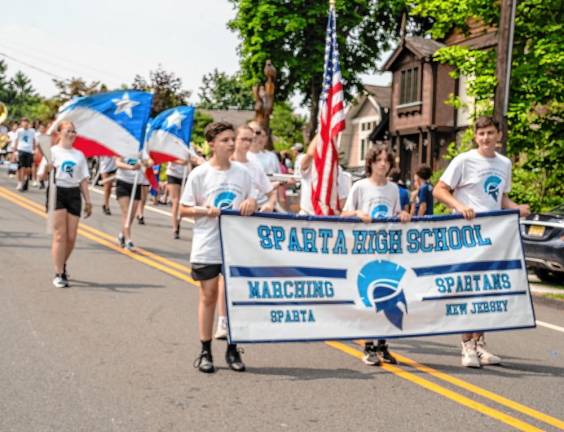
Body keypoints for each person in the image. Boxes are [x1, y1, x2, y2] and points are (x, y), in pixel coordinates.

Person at [433, 115, 530, 368]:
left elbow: (500, 198)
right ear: (475, 137)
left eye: (490, 132)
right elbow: (440, 189)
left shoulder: (504, 163)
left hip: (493, 235)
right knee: (469, 289)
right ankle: (466, 346)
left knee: (487, 290)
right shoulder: (464, 161)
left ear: (498, 135)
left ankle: (480, 345)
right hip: (467, 235)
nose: (486, 138)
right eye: (481, 134)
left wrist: (517, 208)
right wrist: (461, 206)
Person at [179, 121, 257, 374]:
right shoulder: (199, 174)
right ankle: (205, 350)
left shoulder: (243, 173)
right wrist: (205, 211)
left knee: (233, 297)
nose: (232, 143)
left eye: (233, 139)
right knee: (209, 295)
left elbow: (255, 199)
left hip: (235, 244)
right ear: (212, 144)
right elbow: (182, 209)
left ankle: (233, 348)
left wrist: (251, 202)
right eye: (225, 140)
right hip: (207, 243)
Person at [341, 144, 411, 366]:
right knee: (370, 297)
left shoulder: (393, 189)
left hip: (387, 248)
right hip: (365, 248)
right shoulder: (360, 187)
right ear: (370, 162)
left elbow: (396, 211)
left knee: (389, 296)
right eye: (379, 160)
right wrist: (357, 214)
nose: (383, 164)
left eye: (386, 160)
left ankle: (383, 344)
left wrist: (403, 214)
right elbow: (344, 213)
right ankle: (368, 344)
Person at [214, 124, 277, 340]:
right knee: (225, 274)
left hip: (248, 227)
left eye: (250, 140)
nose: (246, 144)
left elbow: (270, 192)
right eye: (243, 139)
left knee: (247, 274)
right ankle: (223, 321)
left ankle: (245, 317)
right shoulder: (224, 164)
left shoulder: (254, 165)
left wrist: (268, 204)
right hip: (225, 226)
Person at [47, 121, 92, 288]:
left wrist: (88, 201)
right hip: (57, 191)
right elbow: (41, 177)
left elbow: (83, 180)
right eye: (68, 131)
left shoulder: (79, 155)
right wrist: (47, 169)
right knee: (60, 235)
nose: (72, 134)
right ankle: (58, 273)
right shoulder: (52, 152)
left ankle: (62, 263)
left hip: (73, 193)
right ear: (59, 133)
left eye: (74, 131)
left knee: (71, 237)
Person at [295, 135, 349, 215]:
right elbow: (309, 155)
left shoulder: (338, 170)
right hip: (306, 218)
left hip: (327, 219)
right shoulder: (310, 164)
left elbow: (342, 201)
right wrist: (323, 131)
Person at [114, 152, 149, 250]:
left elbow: (150, 162)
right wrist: (131, 167)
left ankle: (122, 235)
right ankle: (128, 240)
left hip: (136, 184)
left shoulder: (142, 151)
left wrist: (145, 163)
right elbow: (118, 163)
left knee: (132, 215)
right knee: (126, 213)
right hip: (123, 183)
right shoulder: (124, 148)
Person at [15, 117, 36, 191]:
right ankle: (20, 182)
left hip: (29, 151)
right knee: (21, 167)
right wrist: (15, 151)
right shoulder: (19, 131)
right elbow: (16, 140)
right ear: (21, 123)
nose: (25, 123)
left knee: (28, 168)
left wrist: (34, 150)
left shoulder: (32, 131)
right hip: (21, 150)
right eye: (23, 122)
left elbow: (34, 140)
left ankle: (25, 179)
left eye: (26, 122)